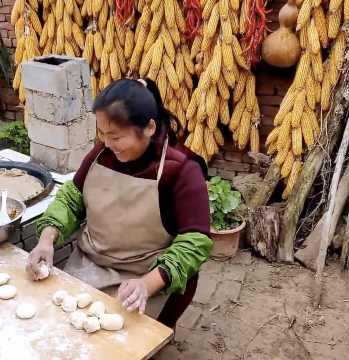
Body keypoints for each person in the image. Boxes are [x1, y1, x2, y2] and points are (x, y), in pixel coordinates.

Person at [26, 78, 212, 327]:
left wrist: (148, 283)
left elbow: (195, 242)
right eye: (102, 134)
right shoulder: (101, 155)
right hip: (89, 264)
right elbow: (72, 198)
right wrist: (46, 239)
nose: (106, 144)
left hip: (146, 278)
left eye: (116, 136)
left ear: (149, 128)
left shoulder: (180, 170)